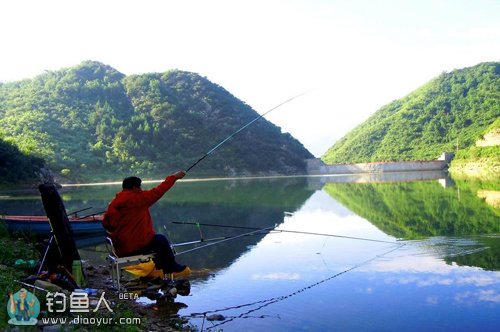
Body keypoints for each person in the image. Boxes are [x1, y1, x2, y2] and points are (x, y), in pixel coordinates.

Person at [103, 171, 188, 275]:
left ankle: (161, 267)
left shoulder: (115, 202)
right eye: (140, 187)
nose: (141, 190)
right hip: (133, 247)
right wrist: (174, 177)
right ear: (134, 188)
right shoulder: (137, 198)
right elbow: (158, 191)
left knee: (155, 241)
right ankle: (170, 268)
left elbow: (106, 224)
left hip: (119, 248)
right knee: (161, 240)